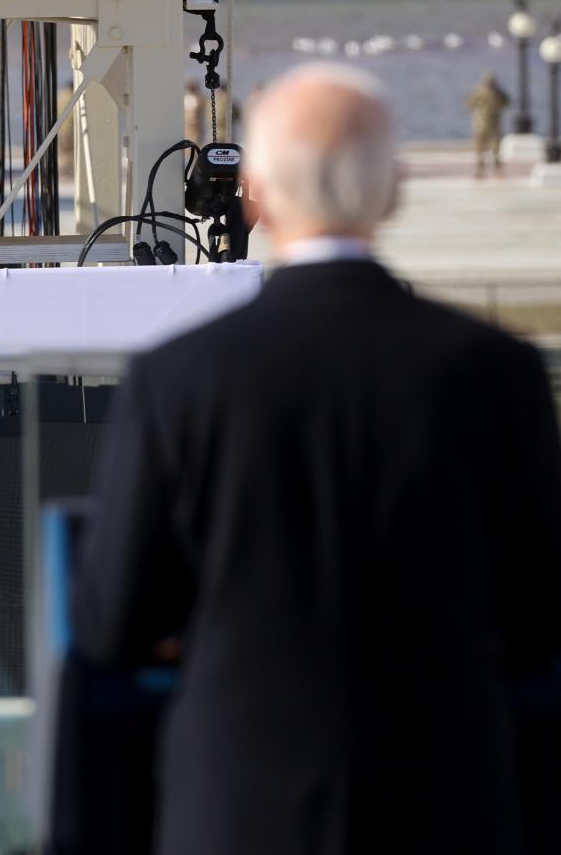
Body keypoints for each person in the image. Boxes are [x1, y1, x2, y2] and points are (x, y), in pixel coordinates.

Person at [74, 62, 561, 855]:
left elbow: (111, 622)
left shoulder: (180, 376)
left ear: (256, 195)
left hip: (239, 803)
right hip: (448, 798)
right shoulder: (495, 370)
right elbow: (539, 612)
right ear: (395, 192)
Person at [466, 71, 510, 178]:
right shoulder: (479, 92)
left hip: (493, 125)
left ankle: (497, 171)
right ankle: (480, 171)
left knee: (496, 150)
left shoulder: (498, 94)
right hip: (481, 125)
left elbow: (506, 103)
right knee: (480, 150)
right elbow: (469, 104)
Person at [183, 79, 205, 144]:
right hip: (187, 127)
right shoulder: (185, 97)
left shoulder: (199, 98)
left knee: (196, 143)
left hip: (196, 127)